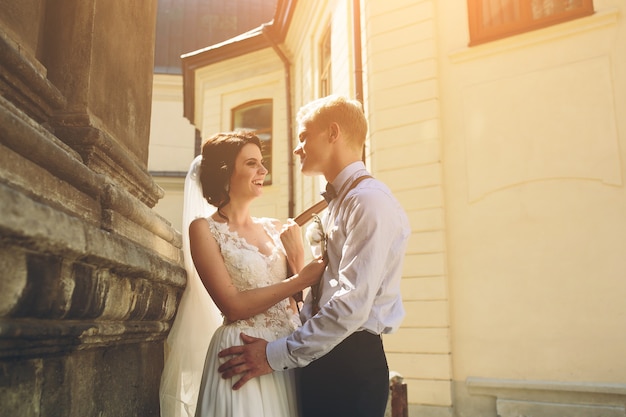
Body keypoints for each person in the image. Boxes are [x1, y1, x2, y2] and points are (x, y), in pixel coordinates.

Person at [217, 95, 411, 417]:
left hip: (350, 364)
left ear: (332, 133)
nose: (297, 148)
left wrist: (274, 355)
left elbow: (351, 305)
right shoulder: (341, 202)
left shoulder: (369, 203)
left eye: (304, 136)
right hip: (320, 355)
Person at [159, 131, 325, 417]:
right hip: (240, 352)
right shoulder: (204, 230)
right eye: (251, 163)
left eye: (262, 162)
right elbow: (232, 305)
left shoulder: (277, 229)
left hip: (283, 351)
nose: (263, 170)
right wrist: (300, 279)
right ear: (225, 173)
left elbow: (296, 304)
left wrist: (297, 260)